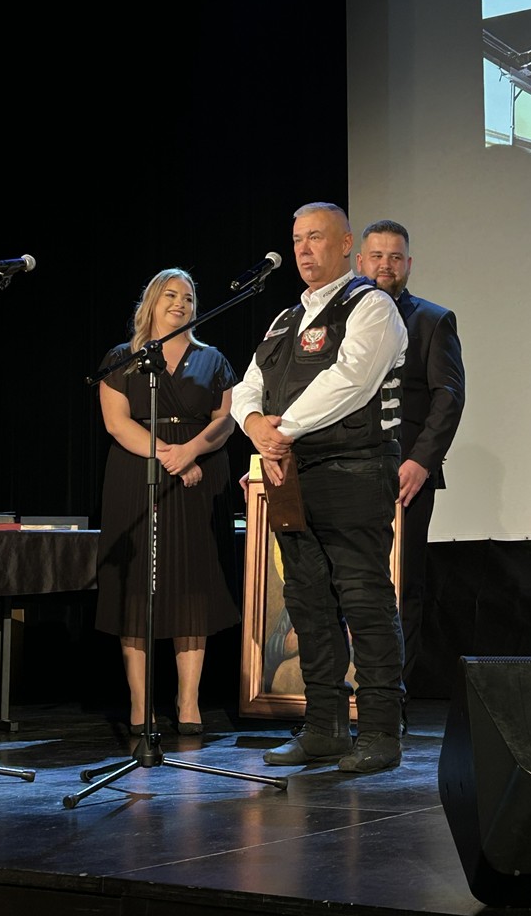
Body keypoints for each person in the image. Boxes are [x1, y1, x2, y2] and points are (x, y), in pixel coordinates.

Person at [230, 202, 408, 774]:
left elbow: (350, 380)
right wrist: (255, 425)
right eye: (298, 239)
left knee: (364, 599)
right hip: (291, 474)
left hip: (353, 469)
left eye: (316, 237)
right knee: (307, 602)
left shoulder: (371, 305)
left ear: (346, 244)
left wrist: (281, 430)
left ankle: (379, 731)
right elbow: (247, 385)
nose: (304, 249)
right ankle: (324, 728)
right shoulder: (286, 319)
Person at [95, 268, 240, 735]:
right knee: (137, 589)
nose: (181, 304)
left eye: (189, 297)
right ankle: (140, 705)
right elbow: (117, 423)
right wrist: (169, 456)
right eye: (171, 295)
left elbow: (225, 420)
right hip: (136, 472)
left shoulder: (213, 359)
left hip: (199, 475)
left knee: (192, 585)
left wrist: (190, 452)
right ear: (152, 303)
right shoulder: (123, 358)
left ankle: (188, 701)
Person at [356, 220, 465, 729]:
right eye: (377, 256)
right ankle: (340, 701)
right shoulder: (340, 320)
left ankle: (388, 703)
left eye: (395, 257)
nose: (385, 265)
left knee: (401, 588)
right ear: (360, 261)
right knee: (348, 586)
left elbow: (449, 396)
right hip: (344, 473)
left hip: (405, 477)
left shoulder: (433, 320)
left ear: (409, 264)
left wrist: (422, 460)